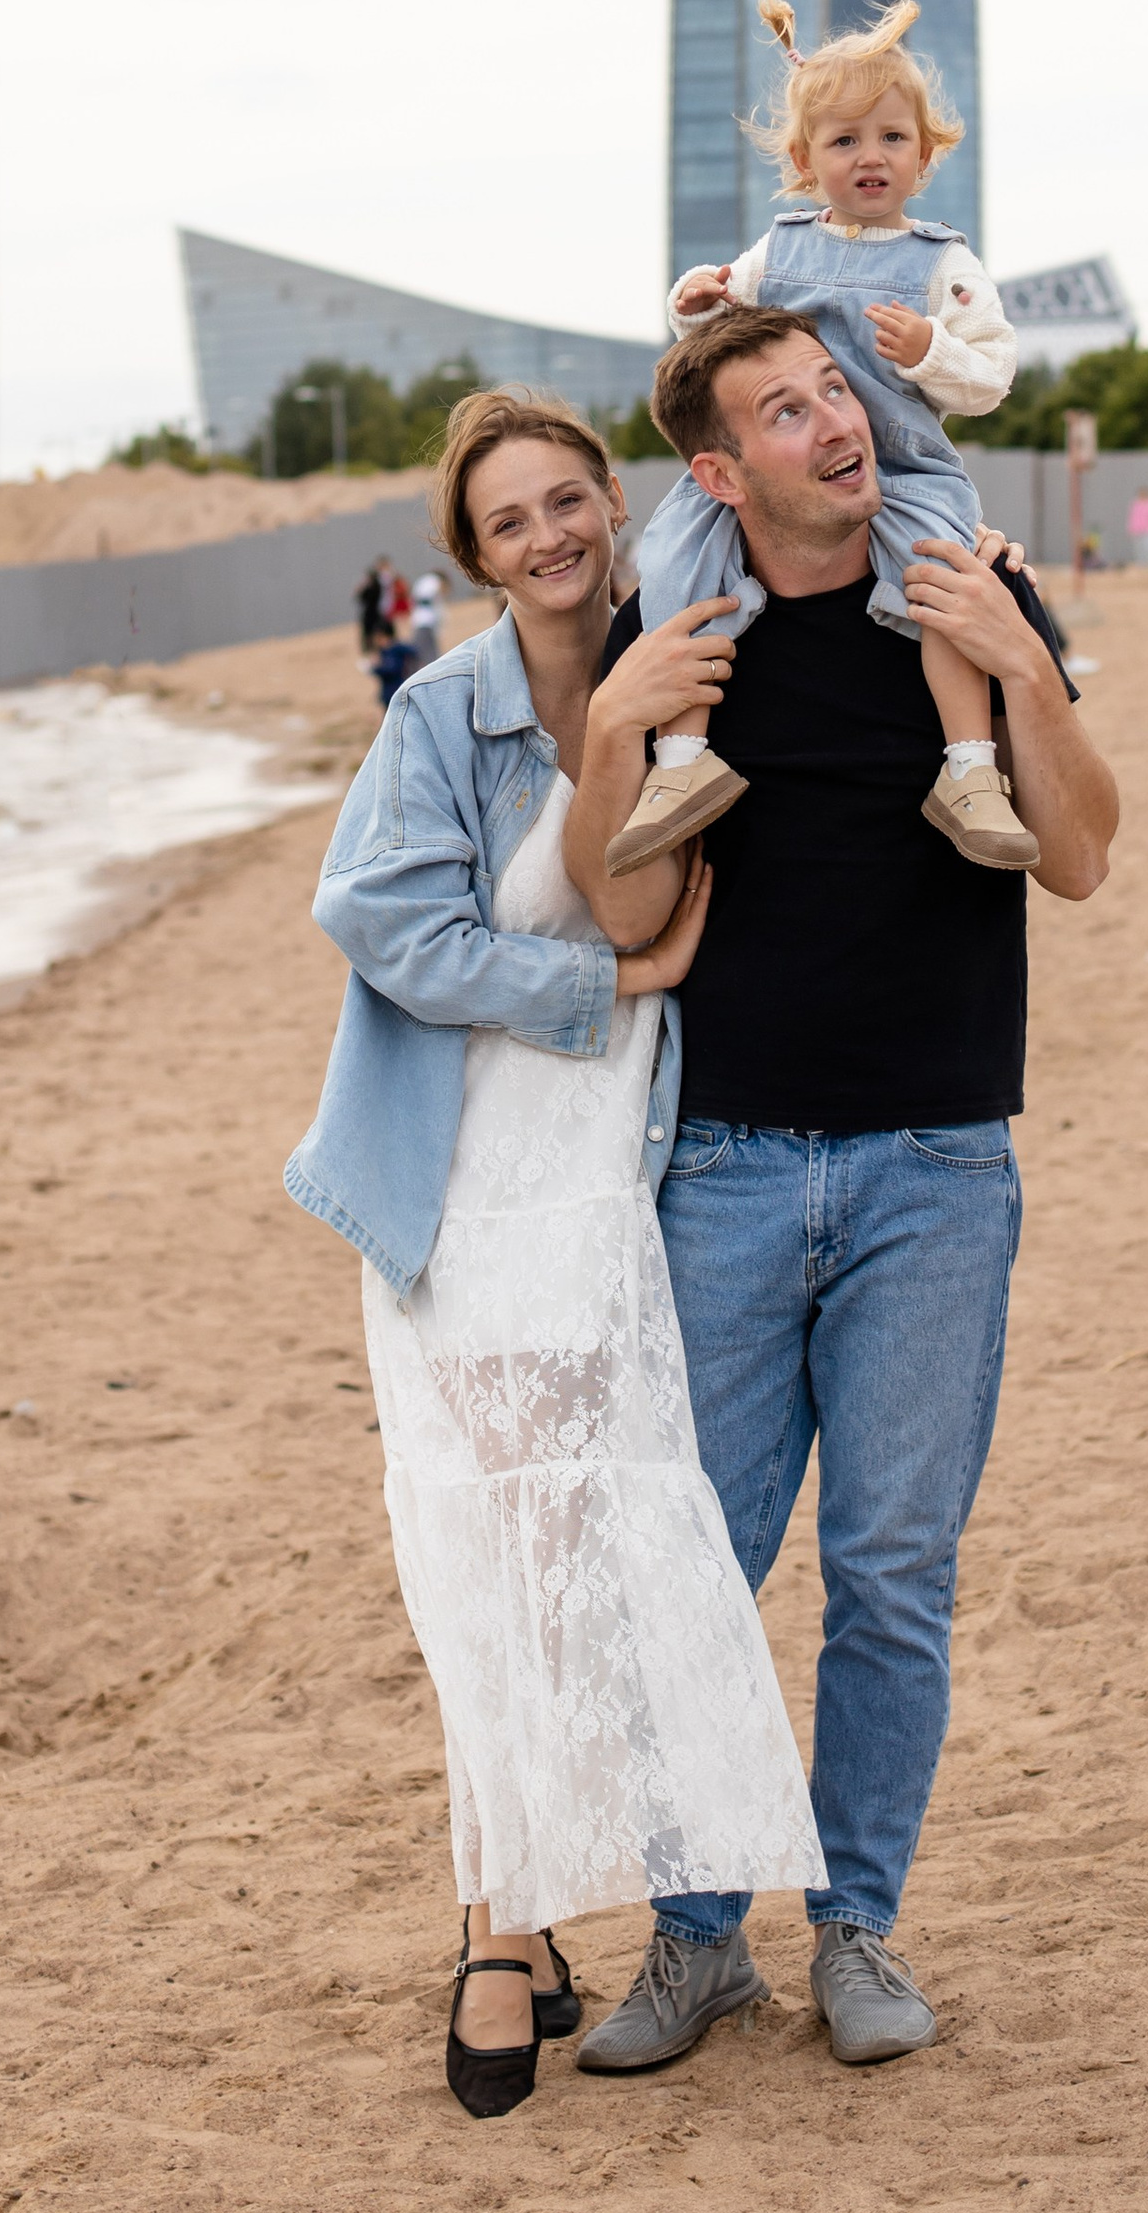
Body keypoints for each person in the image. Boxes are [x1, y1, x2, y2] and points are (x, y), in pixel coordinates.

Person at [569, 305, 1119, 2077]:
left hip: (937, 1163)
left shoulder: (963, 592)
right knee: (703, 1569)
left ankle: (858, 1928)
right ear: (719, 471)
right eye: (784, 412)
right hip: (721, 1165)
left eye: (835, 395)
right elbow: (630, 926)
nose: (832, 427)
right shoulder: (684, 627)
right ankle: (697, 1940)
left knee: (891, 1572)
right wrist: (614, 732)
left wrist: (1020, 661)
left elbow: (1088, 859)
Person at [289, 391, 823, 2119]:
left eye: (567, 501)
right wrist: (601, 988)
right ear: (474, 553)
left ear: (617, 504)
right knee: (499, 1565)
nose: (546, 538)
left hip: (623, 1189)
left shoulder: (680, 664)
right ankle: (494, 1930)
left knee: (580, 1552)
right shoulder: (443, 710)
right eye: (507, 522)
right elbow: (375, 917)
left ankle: (573, 1900)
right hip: (469, 1191)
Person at [611, 0, 1028, 881]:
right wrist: (692, 300)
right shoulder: (781, 248)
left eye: (890, 138)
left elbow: (991, 377)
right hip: (778, 473)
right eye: (844, 141)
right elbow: (725, 340)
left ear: (925, 153)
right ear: (805, 162)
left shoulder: (941, 265)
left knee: (942, 586)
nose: (869, 157)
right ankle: (683, 764)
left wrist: (933, 349)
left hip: (901, 467)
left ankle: (970, 770)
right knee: (677, 548)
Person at [357, 555, 396, 659]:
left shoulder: (380, 581)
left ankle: (382, 652)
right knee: (375, 634)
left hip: (379, 611)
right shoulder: (379, 581)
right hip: (376, 611)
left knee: (382, 633)